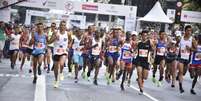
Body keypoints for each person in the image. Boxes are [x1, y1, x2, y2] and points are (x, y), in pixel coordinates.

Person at [48, 21, 69, 88]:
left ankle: (61, 72)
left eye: (64, 25)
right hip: (56, 52)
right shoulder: (55, 32)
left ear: (65, 26)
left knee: (62, 64)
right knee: (56, 68)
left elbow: (71, 40)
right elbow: (49, 42)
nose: (63, 27)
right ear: (59, 26)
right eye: (62, 25)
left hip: (64, 51)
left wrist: (68, 46)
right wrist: (54, 38)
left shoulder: (68, 33)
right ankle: (56, 80)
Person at [177, 25, 196, 93]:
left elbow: (195, 49)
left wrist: (190, 48)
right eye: (188, 30)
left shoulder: (192, 39)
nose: (189, 32)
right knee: (181, 72)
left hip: (187, 58)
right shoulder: (181, 38)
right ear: (185, 31)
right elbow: (176, 45)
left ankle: (178, 75)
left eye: (190, 31)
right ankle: (180, 87)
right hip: (180, 57)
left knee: (184, 72)